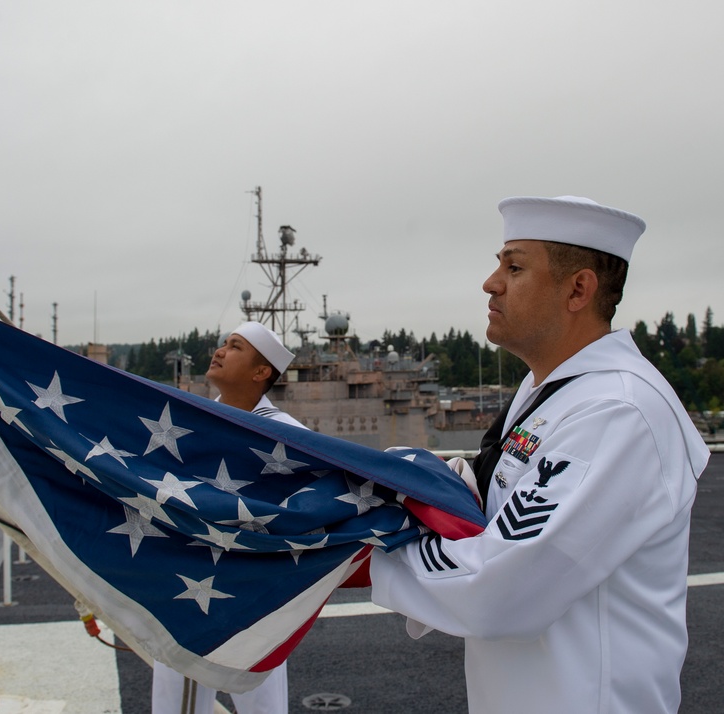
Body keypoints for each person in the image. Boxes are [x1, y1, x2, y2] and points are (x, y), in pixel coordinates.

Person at [369, 195, 710, 713]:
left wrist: (364, 550)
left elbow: (503, 587)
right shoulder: (548, 389)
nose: (491, 282)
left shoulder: (617, 412)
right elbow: (500, 491)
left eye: (515, 266)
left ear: (578, 289)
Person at [152, 321, 302, 714]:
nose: (219, 351)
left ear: (261, 372)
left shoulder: (290, 436)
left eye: (234, 347)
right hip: (186, 580)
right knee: (175, 701)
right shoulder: (189, 422)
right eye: (224, 343)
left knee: (262, 702)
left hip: (253, 588)